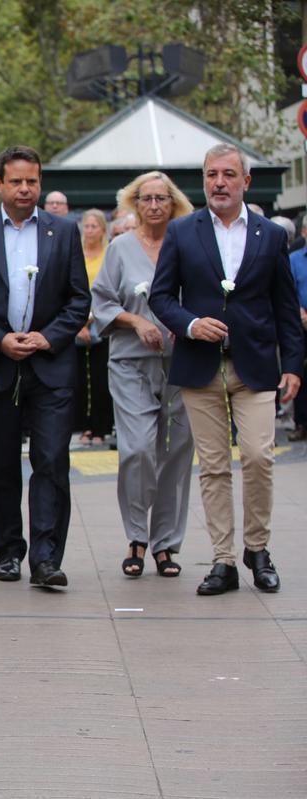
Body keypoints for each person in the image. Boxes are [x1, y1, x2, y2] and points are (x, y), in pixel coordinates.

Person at [149, 143, 304, 596]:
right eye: (211, 174)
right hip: (200, 368)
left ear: (245, 181)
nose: (219, 182)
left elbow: (284, 304)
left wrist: (292, 364)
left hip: (255, 366)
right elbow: (160, 297)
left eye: (228, 175)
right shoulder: (183, 231)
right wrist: (191, 324)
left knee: (258, 457)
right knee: (213, 467)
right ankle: (223, 560)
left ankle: (258, 549)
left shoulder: (271, 236)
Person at [0, 145, 91, 590]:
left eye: (32, 181)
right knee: (1, 464)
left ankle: (47, 558)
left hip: (50, 365)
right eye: (16, 181)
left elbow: (78, 298)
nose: (25, 189)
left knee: (51, 461)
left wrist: (49, 337)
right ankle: (8, 551)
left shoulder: (63, 232)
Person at [91, 171, 196, 578]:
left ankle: (166, 544)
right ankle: (136, 535)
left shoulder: (187, 243)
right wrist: (136, 321)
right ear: (135, 203)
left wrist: (184, 322)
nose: (154, 206)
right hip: (131, 362)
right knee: (136, 450)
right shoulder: (119, 248)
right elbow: (101, 303)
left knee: (176, 454)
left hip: (182, 363)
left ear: (174, 203)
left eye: (161, 198)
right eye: (146, 198)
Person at [74, 209, 114, 445]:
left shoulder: (110, 253)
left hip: (102, 319)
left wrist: (95, 317)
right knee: (80, 377)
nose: (89, 231)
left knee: (101, 376)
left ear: (102, 229)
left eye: (93, 226)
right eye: (86, 226)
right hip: (79, 320)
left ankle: (101, 426)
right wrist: (80, 322)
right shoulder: (77, 253)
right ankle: (84, 425)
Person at [289, 236, 307, 440]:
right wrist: (300, 314)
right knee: (300, 375)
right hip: (301, 323)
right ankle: (301, 423)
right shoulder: (294, 259)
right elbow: (288, 291)